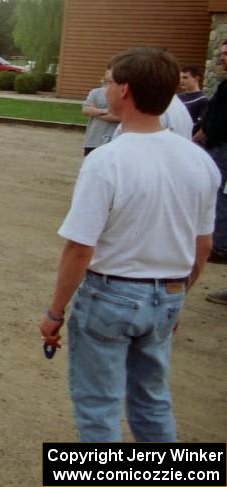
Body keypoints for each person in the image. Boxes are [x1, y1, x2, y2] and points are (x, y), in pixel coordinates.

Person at [39, 47, 219, 442]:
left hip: (111, 295)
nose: (105, 91)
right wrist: (176, 298)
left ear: (125, 90)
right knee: (152, 400)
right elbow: (202, 245)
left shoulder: (107, 161)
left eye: (108, 83)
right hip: (168, 291)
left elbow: (80, 248)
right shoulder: (199, 160)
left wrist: (55, 312)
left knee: (98, 404)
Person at [196, 41, 227, 291]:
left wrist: (202, 136)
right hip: (215, 144)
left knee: (220, 195)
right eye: (223, 53)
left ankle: (221, 244)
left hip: (223, 148)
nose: (222, 58)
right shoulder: (225, 85)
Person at [81, 68, 119, 156]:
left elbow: (118, 117)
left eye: (111, 82)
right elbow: (86, 110)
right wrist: (107, 111)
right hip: (93, 140)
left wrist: (95, 112)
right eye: (106, 81)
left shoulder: (122, 95)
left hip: (112, 141)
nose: (107, 84)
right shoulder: (95, 92)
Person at [178, 64, 208, 134]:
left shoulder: (203, 100)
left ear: (196, 78)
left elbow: (204, 127)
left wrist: (192, 141)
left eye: (185, 78)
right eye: (180, 78)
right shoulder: (177, 97)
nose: (181, 81)